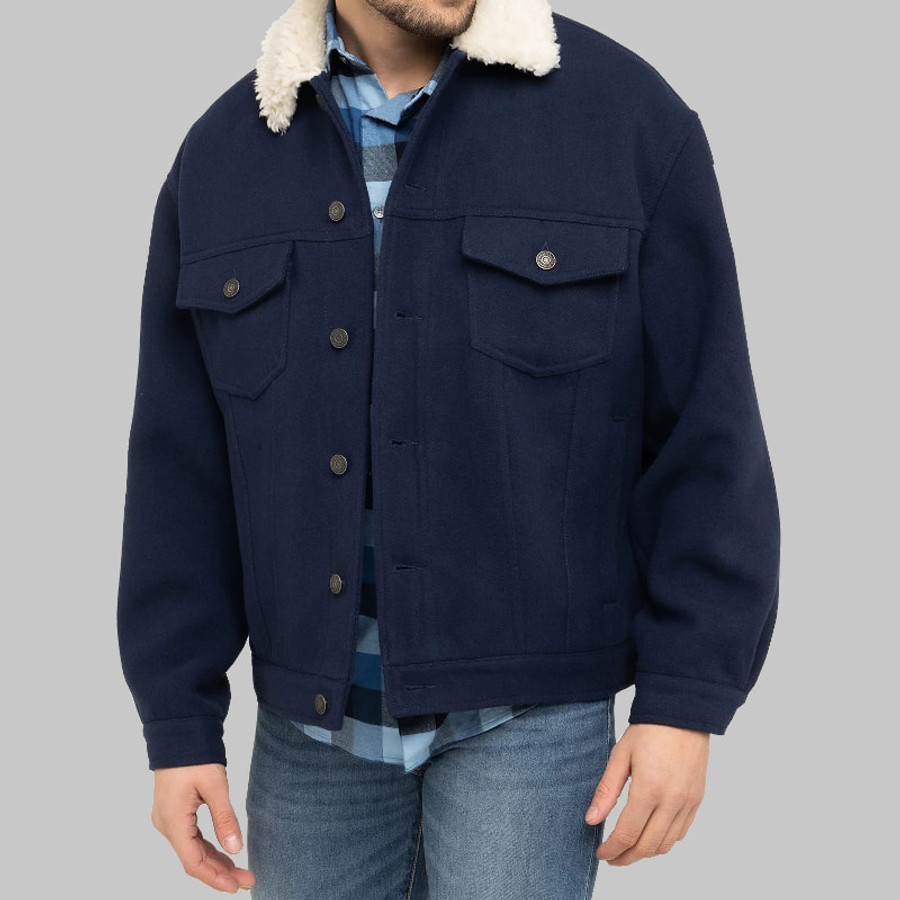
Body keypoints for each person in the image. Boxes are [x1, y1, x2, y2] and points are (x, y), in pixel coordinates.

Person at [116, 0, 781, 896]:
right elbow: (179, 469)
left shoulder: (625, 117)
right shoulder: (223, 154)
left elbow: (708, 431)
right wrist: (178, 721)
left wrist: (686, 700)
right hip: (313, 737)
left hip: (531, 722)